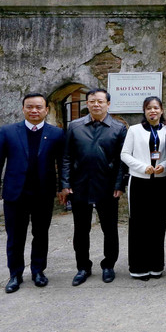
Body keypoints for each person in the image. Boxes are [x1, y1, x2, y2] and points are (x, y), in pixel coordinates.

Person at [0, 93, 65, 293]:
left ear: (46, 110)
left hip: (43, 193)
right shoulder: (8, 132)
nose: (34, 111)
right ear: (23, 109)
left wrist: (62, 188)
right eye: (29, 107)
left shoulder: (56, 134)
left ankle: (38, 271)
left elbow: (62, 163)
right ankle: (15, 274)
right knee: (15, 236)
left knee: (41, 234)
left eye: (39, 107)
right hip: (15, 193)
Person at [60, 88, 127, 286]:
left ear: (108, 104)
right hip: (80, 185)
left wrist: (119, 184)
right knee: (81, 230)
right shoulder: (75, 126)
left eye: (100, 101)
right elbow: (66, 157)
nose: (96, 105)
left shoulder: (118, 128)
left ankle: (108, 265)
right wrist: (65, 183)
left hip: (107, 186)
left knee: (110, 229)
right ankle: (83, 267)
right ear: (87, 104)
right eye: (92, 101)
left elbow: (121, 161)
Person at [120, 96, 166, 281]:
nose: (153, 111)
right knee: (139, 224)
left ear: (161, 110)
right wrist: (142, 167)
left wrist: (163, 165)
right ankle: (139, 267)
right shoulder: (134, 130)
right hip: (139, 181)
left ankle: (156, 266)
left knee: (158, 223)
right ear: (144, 111)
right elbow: (125, 154)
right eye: (149, 108)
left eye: (156, 108)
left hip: (161, 182)